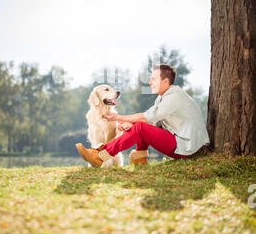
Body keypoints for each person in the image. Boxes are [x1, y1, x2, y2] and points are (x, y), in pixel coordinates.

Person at [76, 64, 210, 167]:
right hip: (180, 143)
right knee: (139, 126)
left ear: (165, 82)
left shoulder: (175, 96)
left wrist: (118, 118)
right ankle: (140, 159)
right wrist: (131, 124)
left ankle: (100, 156)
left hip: (186, 146)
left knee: (140, 126)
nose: (150, 82)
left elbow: (147, 117)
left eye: (153, 79)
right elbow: (151, 120)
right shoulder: (164, 97)